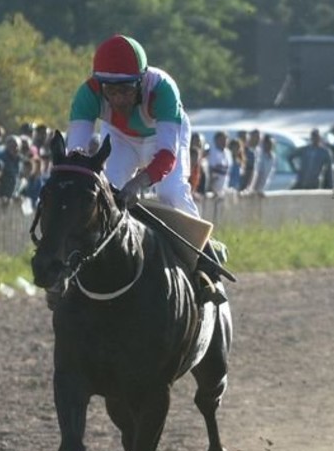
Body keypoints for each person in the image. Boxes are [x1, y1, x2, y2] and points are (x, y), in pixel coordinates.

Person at [65, 34, 225, 303]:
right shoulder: (87, 94)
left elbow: (166, 157)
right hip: (119, 136)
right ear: (99, 84)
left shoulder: (162, 89)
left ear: (141, 80)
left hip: (161, 139)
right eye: (111, 91)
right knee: (109, 190)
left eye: (126, 89)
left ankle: (205, 261)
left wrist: (138, 183)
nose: (118, 99)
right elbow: (75, 155)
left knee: (171, 192)